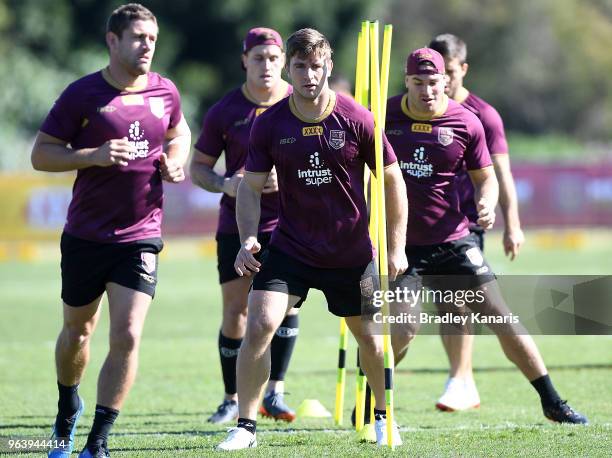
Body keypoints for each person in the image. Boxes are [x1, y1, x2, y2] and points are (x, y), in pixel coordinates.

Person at [217, 28, 409, 450]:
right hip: (291, 247)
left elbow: (392, 181)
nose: (308, 75)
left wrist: (396, 247)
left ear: (329, 67)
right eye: (299, 66)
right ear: (290, 67)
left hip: (350, 250)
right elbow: (248, 187)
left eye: (315, 66)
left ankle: (383, 417)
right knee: (261, 323)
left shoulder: (357, 118)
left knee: (372, 340)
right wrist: (248, 239)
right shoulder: (270, 124)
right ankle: (245, 427)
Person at [385, 47, 587, 425]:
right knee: (402, 330)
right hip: (401, 246)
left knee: (502, 316)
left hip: (453, 240)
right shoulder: (382, 116)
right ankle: (376, 397)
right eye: (418, 83)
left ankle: (552, 401)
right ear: (405, 80)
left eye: (433, 82)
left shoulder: (467, 121)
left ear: (447, 79)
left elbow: (486, 177)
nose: (426, 91)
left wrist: (487, 203)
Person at [31, 4, 191, 457]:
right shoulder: (83, 94)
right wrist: (92, 156)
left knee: (127, 335)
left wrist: (175, 161)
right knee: (78, 333)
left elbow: (179, 132)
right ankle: (67, 407)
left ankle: (97, 442)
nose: (147, 46)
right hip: (85, 235)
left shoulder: (166, 91)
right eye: (138, 37)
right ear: (113, 40)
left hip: (140, 234)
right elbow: (42, 155)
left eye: (152, 39)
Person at [190, 27, 298, 424]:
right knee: (236, 311)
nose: (266, 65)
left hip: (290, 224)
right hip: (236, 225)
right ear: (244, 61)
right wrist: (225, 184)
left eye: (273, 58)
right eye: (258, 58)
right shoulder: (225, 111)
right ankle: (231, 398)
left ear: (283, 61)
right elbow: (197, 168)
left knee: (285, 308)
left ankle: (276, 393)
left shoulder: (299, 101)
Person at [428, 33, 525, 411]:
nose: (444, 79)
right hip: (430, 225)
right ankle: (460, 379)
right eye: (436, 71)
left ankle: (461, 380)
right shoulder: (418, 111)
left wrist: (512, 223)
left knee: (460, 303)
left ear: (462, 69)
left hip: (467, 225)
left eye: (449, 71)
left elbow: (502, 174)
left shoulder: (484, 115)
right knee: (447, 304)